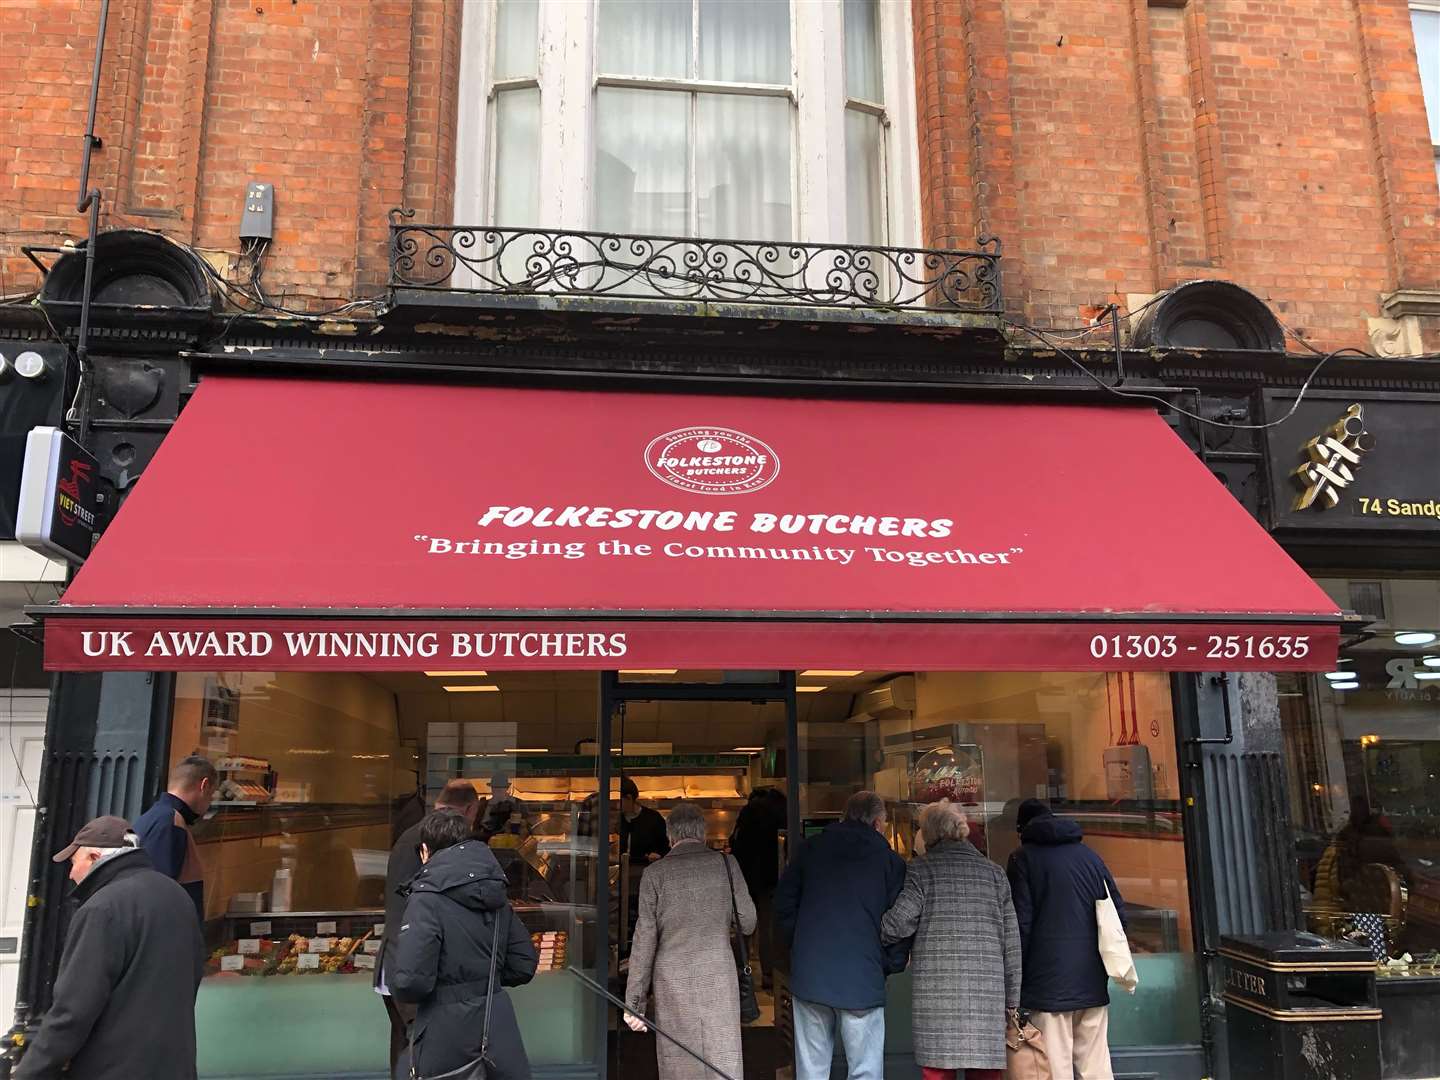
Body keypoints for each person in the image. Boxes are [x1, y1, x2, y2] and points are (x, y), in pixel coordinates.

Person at [15, 816, 205, 1080]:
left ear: (94, 857)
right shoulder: (176, 895)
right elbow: (193, 977)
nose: (71, 874)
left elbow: (73, 1011)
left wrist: (29, 1072)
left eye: (73, 863)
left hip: (113, 1069)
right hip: (175, 1066)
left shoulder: (101, 908)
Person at [390, 810, 539, 1080]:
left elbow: (410, 982)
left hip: (445, 1030)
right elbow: (523, 963)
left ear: (425, 851)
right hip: (496, 1026)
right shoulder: (495, 893)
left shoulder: (426, 898)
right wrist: (483, 980)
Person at [881, 801, 1020, 1080]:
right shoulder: (994, 874)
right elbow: (1012, 943)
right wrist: (1013, 998)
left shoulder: (921, 871)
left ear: (928, 834)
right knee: (985, 1073)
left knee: (937, 1072)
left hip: (938, 996)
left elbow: (896, 925)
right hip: (987, 995)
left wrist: (875, 926)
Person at [775, 791, 909, 1080]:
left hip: (811, 973)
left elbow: (784, 905)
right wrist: (890, 964)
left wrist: (798, 948)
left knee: (811, 1068)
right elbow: (900, 922)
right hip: (863, 976)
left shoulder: (809, 850)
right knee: (865, 1070)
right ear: (877, 823)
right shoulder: (890, 862)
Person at [624, 801, 757, 1080]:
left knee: (679, 1059)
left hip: (672, 982)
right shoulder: (727, 864)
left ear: (670, 836)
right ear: (703, 833)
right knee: (723, 1057)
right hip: (719, 975)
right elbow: (748, 921)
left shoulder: (654, 874)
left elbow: (644, 941)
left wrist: (634, 1004)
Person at [1006, 799, 1125, 1080]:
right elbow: (1117, 914)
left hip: (1047, 986)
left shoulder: (1022, 859)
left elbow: (1020, 925)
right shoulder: (1090, 857)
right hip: (1091, 980)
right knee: (1096, 1067)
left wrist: (1014, 980)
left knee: (1054, 1066)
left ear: (1022, 828)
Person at [376, 780, 481, 1077]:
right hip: (415, 963)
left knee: (405, 1048)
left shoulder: (413, 833)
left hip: (396, 960)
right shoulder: (440, 839)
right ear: (471, 809)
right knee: (426, 1051)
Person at [134, 754, 216, 923]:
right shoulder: (170, 821)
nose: (210, 802)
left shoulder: (156, 816)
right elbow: (159, 891)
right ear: (204, 785)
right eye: (212, 794)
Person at [730, 787, 785, 989]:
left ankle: (742, 972)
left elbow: (735, 842)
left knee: (744, 925)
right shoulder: (782, 811)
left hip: (746, 878)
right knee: (767, 926)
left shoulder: (748, 813)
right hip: (772, 878)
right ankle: (769, 975)